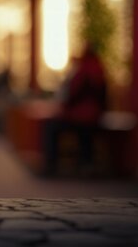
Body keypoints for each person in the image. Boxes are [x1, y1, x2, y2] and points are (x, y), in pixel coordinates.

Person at [43, 46, 107, 176]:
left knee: (51, 127)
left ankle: (51, 165)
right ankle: (86, 163)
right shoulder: (100, 70)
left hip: (79, 117)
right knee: (85, 134)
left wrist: (63, 109)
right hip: (95, 118)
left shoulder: (82, 71)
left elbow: (72, 96)